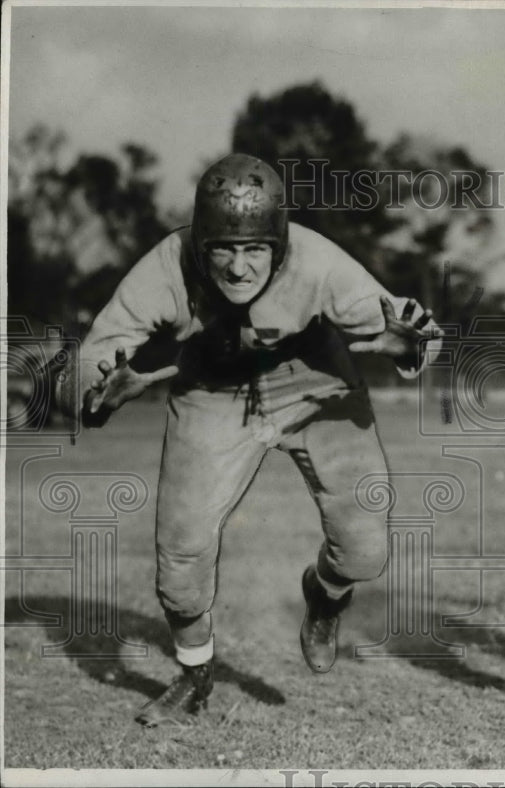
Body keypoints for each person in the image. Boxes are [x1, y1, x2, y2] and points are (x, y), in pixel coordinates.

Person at [57, 153, 439, 727]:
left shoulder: (320, 263)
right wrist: (93, 391)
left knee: (364, 549)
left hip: (316, 383)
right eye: (223, 249)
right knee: (180, 555)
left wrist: (411, 344)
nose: (238, 268)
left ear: (280, 245)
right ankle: (195, 675)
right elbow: (87, 359)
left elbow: (409, 329)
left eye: (255, 249)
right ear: (199, 243)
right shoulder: (166, 265)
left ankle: (324, 594)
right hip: (213, 391)